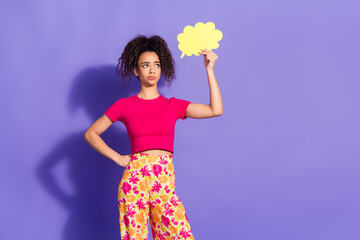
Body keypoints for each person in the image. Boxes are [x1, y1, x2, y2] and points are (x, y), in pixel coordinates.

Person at [84, 35, 223, 240]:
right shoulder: (124, 106)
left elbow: (215, 109)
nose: (152, 70)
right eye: (146, 65)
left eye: (156, 65)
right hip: (135, 181)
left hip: (164, 181)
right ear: (136, 70)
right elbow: (91, 133)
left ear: (161, 68)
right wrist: (118, 157)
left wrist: (209, 70)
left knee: (179, 235)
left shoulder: (173, 106)